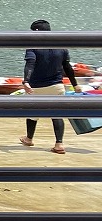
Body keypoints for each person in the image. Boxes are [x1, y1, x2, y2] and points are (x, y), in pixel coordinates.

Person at [19, 19, 79, 155]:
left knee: (32, 113)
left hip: (36, 87)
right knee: (57, 115)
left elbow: (30, 64)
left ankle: (29, 139)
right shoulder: (61, 46)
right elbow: (67, 67)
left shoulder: (33, 46)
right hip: (57, 86)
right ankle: (59, 144)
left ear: (36, 32)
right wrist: (75, 84)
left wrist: (26, 81)